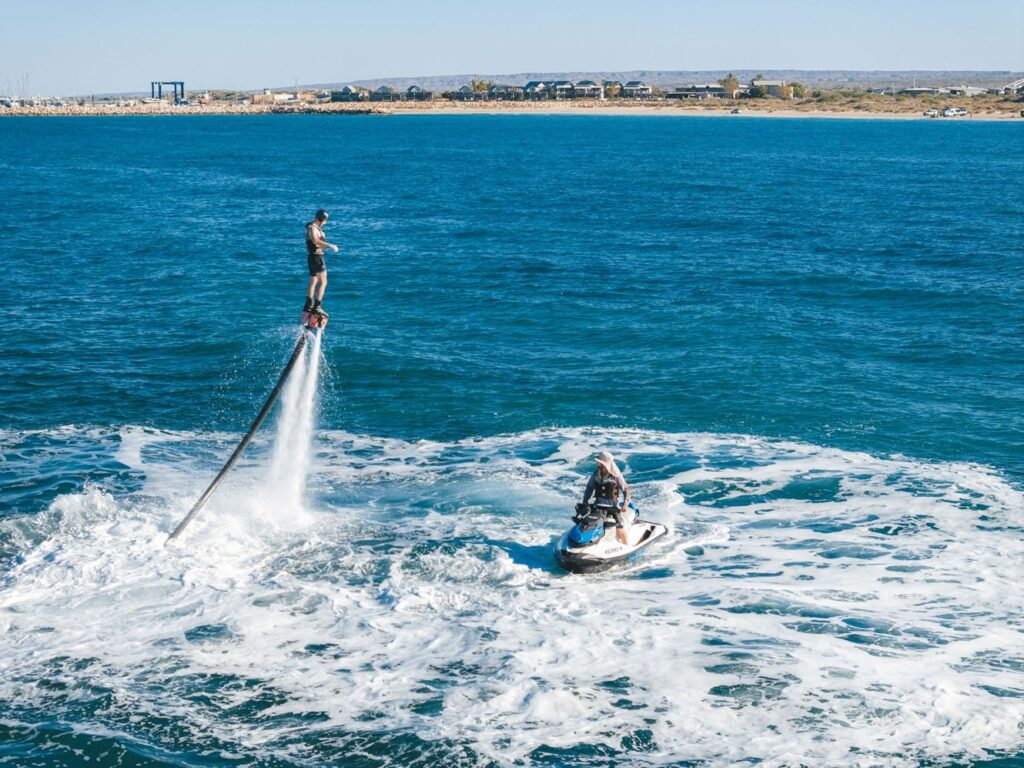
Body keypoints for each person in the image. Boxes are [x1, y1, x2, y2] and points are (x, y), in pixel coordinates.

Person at [582, 450, 633, 545]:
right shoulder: (596, 474)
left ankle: (627, 545)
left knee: (619, 527)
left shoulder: (616, 476)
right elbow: (589, 488)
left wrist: (625, 504)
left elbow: (626, 490)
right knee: (589, 523)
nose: (597, 463)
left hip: (612, 508)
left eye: (599, 462)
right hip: (598, 506)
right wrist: (585, 501)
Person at [303, 209, 339, 319]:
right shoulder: (312, 228)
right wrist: (330, 245)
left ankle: (309, 304)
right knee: (323, 282)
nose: (326, 223)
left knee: (313, 281)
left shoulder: (313, 227)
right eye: (325, 220)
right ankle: (317, 307)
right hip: (317, 258)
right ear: (322, 219)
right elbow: (315, 240)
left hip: (312, 258)